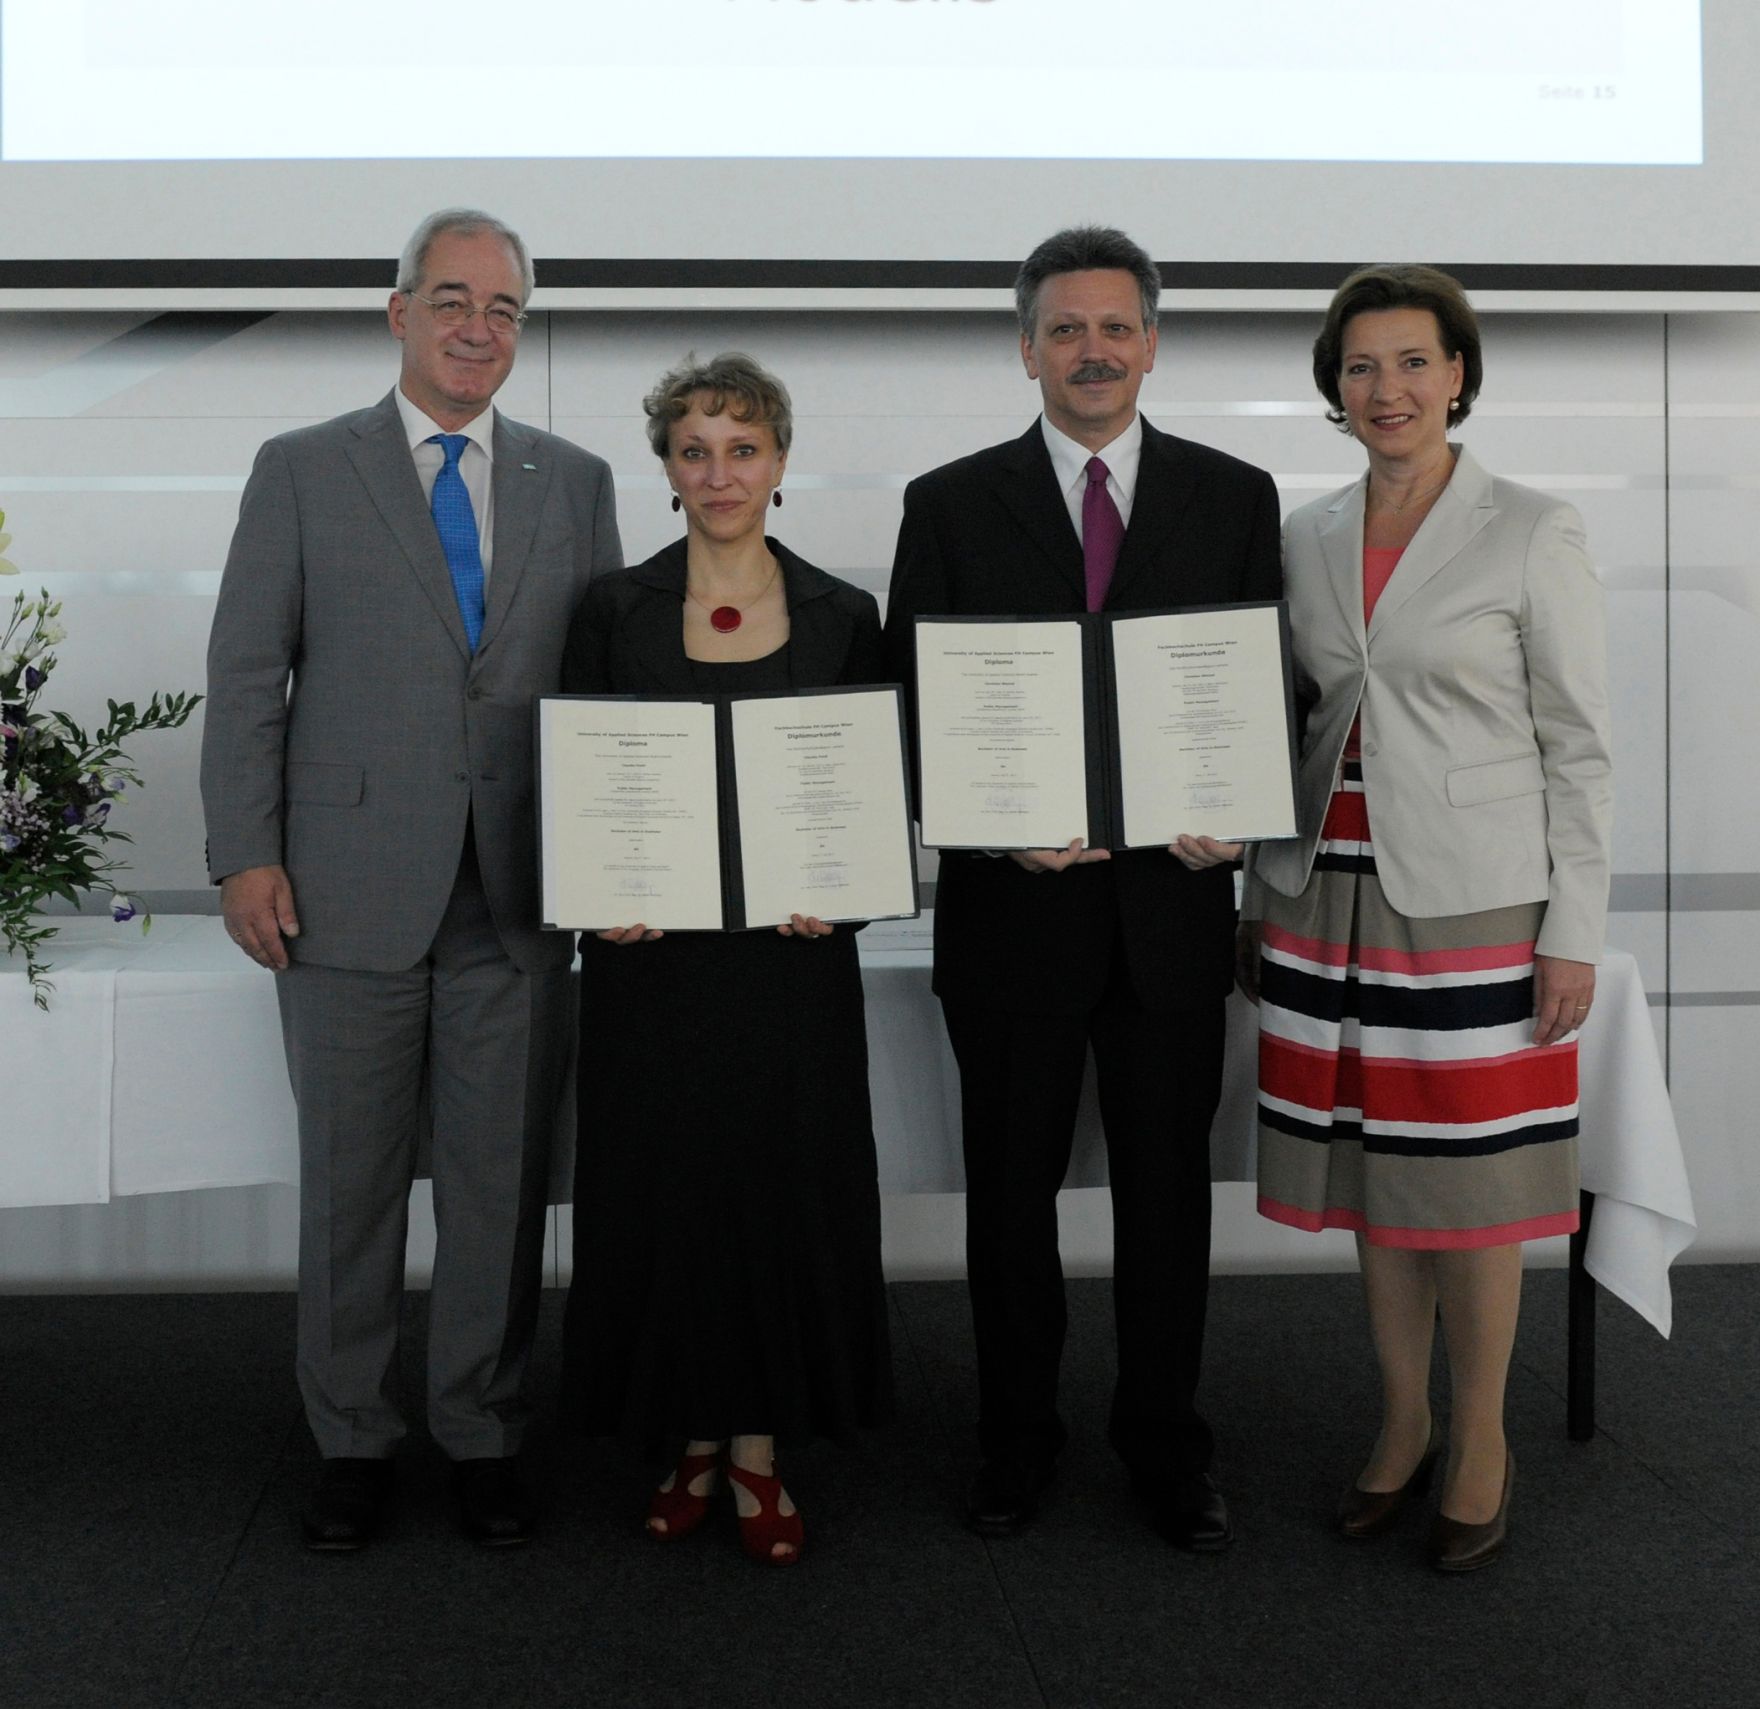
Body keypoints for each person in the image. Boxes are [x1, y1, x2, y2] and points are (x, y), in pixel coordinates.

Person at [201, 208, 622, 1551]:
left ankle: (483, 1429)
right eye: (451, 300)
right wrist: (244, 851)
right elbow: (244, 674)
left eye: (503, 308)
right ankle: (352, 1437)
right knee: (352, 1183)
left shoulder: (579, 478)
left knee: (498, 1184)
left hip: (517, 894)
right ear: (397, 313)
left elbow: (607, 692)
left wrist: (623, 852)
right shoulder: (303, 469)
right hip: (340, 888)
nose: (477, 329)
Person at [882, 227, 1281, 1550]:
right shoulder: (947, 503)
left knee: (1169, 1202)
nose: (1093, 349)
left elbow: (1262, 690)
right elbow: (909, 710)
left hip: (1171, 920)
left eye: (1116, 326)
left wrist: (1240, 805)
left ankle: (1167, 1445)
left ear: (1153, 341)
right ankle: (1015, 1443)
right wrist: (988, 831)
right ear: (1026, 347)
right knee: (1010, 1202)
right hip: (1015, 921)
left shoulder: (1234, 498)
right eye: (1066, 328)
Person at [1240, 264, 1612, 1572]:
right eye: (1360, 366)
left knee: (1470, 1186)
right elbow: (1283, 723)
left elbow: (1579, 745)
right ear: (1333, 389)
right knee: (1376, 1179)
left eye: (1411, 362)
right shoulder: (1305, 533)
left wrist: (1575, 923)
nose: (1385, 388)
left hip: (1475, 904)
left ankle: (1482, 1439)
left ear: (1459, 373)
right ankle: (1399, 1425)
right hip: (1322, 892)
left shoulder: (1531, 527)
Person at [559, 352, 892, 1567]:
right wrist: (601, 895)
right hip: (655, 974)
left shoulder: (846, 614)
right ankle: (686, 1438)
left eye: (742, 448)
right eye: (693, 449)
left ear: (780, 462)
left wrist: (841, 894)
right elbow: (576, 783)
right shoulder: (612, 610)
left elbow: (876, 796)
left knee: (779, 1195)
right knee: (668, 1196)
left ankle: (757, 1450)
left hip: (790, 973)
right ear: (664, 468)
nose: (718, 472)